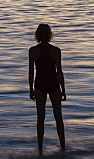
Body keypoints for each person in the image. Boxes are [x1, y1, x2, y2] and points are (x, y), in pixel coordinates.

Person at [28, 23, 66, 152]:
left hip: (40, 85)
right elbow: (59, 72)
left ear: (37, 35)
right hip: (54, 85)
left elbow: (31, 72)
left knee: (40, 119)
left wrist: (31, 89)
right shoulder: (56, 51)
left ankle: (40, 149)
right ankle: (63, 147)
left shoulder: (33, 51)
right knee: (58, 117)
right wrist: (63, 89)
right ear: (50, 35)